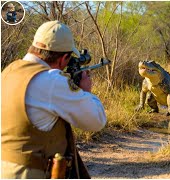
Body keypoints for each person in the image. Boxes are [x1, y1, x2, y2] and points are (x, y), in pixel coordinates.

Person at [1, 20, 107, 178]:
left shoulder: (9, 71)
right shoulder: (52, 80)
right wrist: (86, 92)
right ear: (64, 58)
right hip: (31, 174)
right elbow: (96, 121)